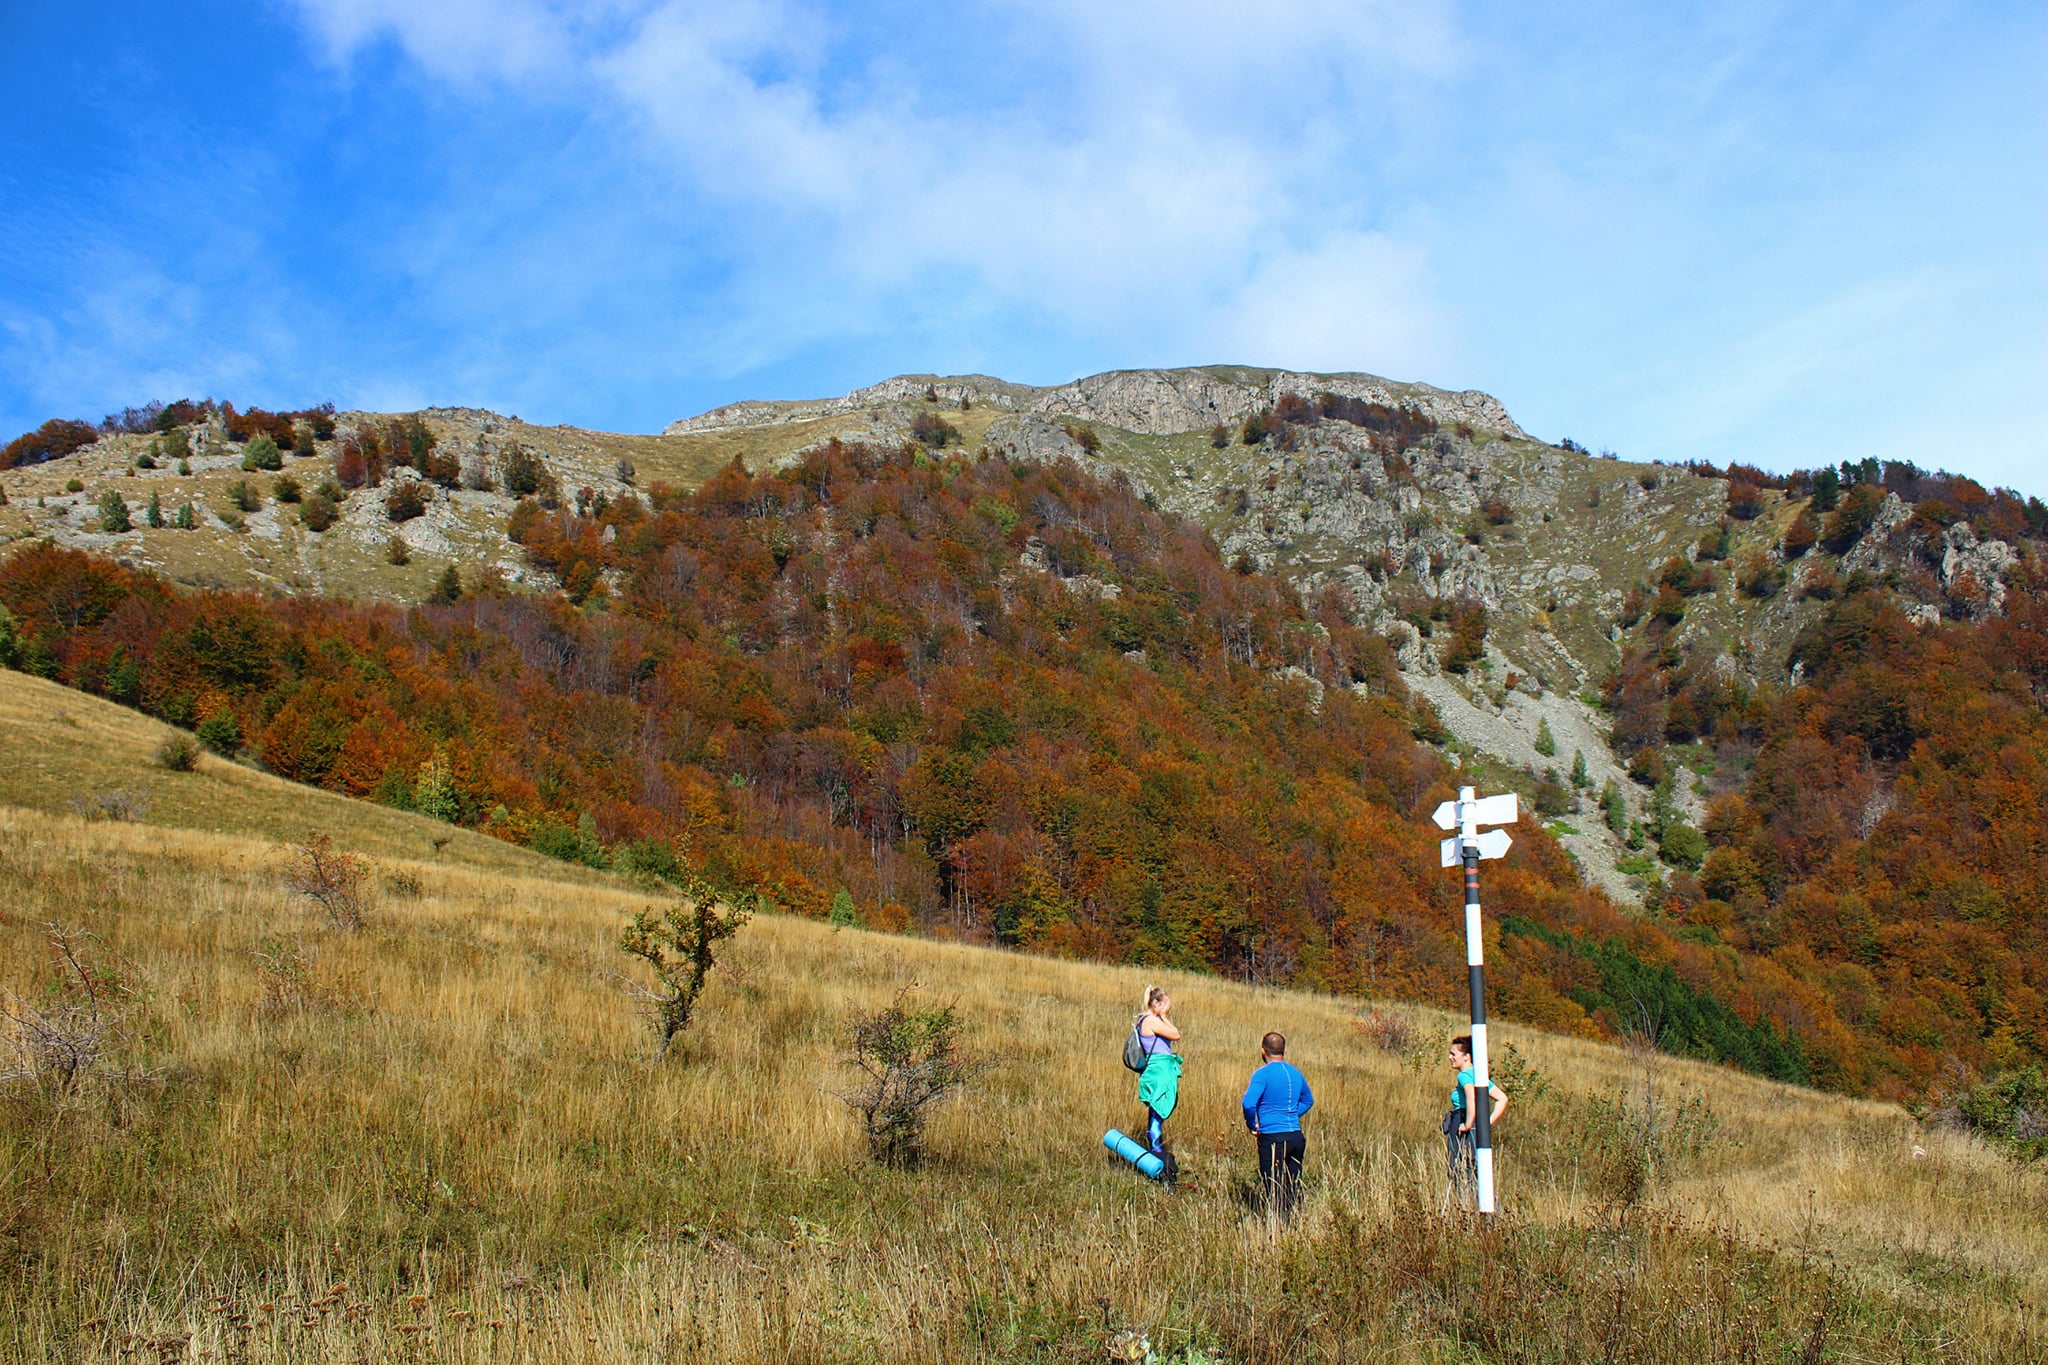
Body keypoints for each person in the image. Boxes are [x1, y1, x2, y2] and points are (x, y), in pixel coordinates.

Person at [1241, 1031, 1314, 1221]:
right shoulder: (1295, 1073)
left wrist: (1253, 1125)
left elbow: (1248, 1103)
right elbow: (1308, 1101)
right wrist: (1291, 1114)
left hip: (1273, 1137)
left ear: (1263, 1051)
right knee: (1292, 1185)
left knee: (1274, 1187)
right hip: (1296, 1136)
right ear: (1284, 1050)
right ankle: (1294, 1223)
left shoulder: (1262, 1074)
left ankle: (1278, 1226)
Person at [1443, 1034, 1509, 1191]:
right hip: (1476, 1126)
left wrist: (1467, 1124)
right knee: (1475, 1169)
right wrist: (1485, 1124)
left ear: (1467, 1057)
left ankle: (1466, 1201)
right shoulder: (1479, 1076)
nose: (1450, 1057)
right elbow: (1502, 1098)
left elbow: (1471, 1096)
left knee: (1459, 1168)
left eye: (1453, 1054)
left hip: (1463, 1121)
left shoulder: (1464, 1075)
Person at [1135, 985, 1182, 1183]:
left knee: (1158, 1110)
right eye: (1166, 1005)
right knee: (1158, 1109)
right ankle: (1156, 1152)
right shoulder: (1151, 1021)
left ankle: (1156, 1148)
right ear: (1157, 1004)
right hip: (1158, 1071)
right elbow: (1176, 1034)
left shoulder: (1145, 1019)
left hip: (1159, 1069)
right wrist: (1163, 1016)